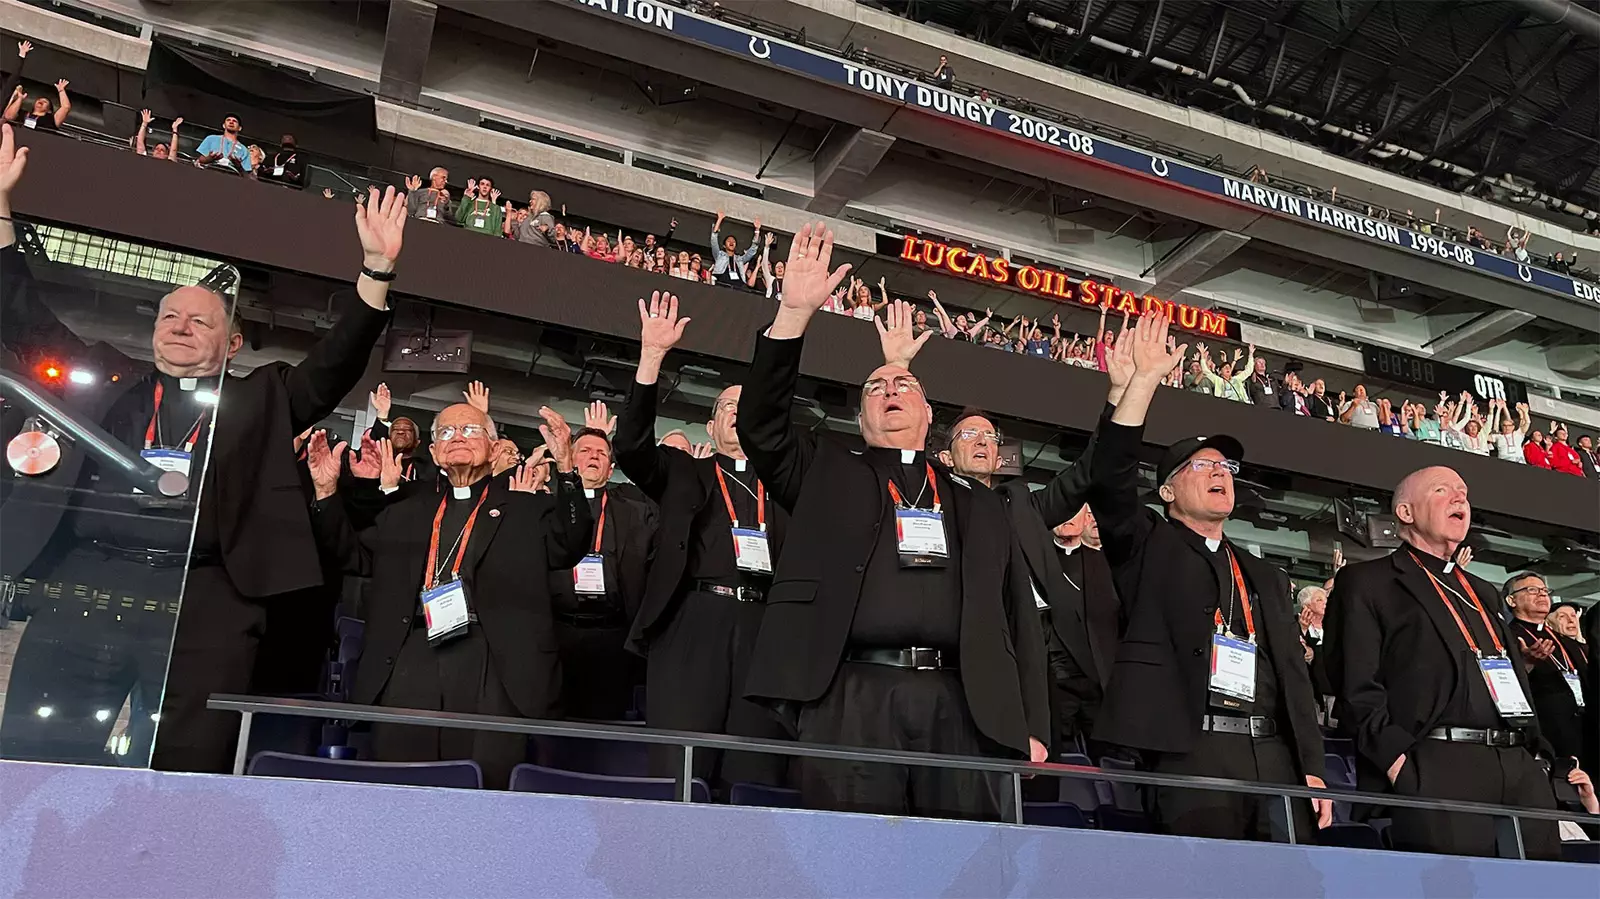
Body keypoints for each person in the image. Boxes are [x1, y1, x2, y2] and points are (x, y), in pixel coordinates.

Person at [0, 126, 407, 771]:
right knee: (41, 758)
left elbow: (332, 366)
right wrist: (1, 209)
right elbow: (23, 314)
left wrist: (376, 270)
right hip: (88, 586)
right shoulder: (111, 381)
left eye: (201, 320)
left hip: (207, 603)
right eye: (169, 317)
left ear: (233, 342)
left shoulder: (258, 399)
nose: (181, 328)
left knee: (190, 770)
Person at [735, 223, 1050, 821]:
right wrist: (794, 314)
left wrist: (1031, 721)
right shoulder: (828, 472)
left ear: (930, 416)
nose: (890, 390)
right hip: (851, 695)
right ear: (861, 418)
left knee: (961, 864)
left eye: (904, 383)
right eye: (876, 386)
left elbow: (1017, 621)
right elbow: (763, 428)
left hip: (963, 702)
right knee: (855, 861)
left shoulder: (976, 500)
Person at [1084, 309, 1330, 842]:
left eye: (1226, 467)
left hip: (1275, 756)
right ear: (1167, 491)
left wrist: (1311, 765)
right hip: (1192, 749)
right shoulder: (1146, 543)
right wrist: (1142, 384)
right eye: (1201, 465)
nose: (1220, 471)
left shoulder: (1263, 574)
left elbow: (1292, 671)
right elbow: (1109, 479)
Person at [305, 403, 590, 789]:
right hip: (411, 656)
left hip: (494, 664)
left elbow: (570, 542)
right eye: (446, 433)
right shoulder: (409, 506)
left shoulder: (526, 507)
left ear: (493, 447)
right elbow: (352, 555)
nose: (457, 438)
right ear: (434, 452)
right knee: (400, 786)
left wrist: (567, 471)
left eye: (471, 431)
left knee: (484, 789)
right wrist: (325, 491)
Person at [1325, 465, 1562, 859]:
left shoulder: (1483, 592)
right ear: (1405, 512)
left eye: (1464, 492)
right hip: (1436, 765)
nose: (1460, 499)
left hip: (1519, 767)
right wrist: (1399, 763)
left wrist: (1538, 756)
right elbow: (1354, 683)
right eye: (1442, 490)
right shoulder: (1369, 581)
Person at [614, 291, 792, 789]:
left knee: (755, 771)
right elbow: (630, 446)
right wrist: (651, 357)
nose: (737, 413)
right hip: (693, 623)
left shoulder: (786, 484)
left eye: (746, 405)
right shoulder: (683, 472)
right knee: (683, 768)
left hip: (766, 627)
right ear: (710, 427)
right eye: (726, 407)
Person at [931, 376, 1115, 756]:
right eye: (968, 436)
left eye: (990, 438)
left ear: (1000, 458)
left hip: (1051, 655)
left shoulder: (1022, 505)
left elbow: (1084, 474)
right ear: (946, 458)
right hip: (982, 647)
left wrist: (1119, 399)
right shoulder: (935, 506)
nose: (982, 441)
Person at [548, 403, 656, 720]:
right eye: (585, 451)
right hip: (559, 633)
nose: (594, 456)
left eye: (602, 453)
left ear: (610, 470)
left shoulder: (634, 509)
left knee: (606, 724)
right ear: (569, 459)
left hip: (614, 637)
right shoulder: (545, 504)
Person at [1504, 573, 1587, 763]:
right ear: (1511, 600)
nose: (1542, 595)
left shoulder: (1564, 640)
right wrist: (1527, 662)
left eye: (1544, 590)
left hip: (1582, 731)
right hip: (1544, 737)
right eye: (1532, 590)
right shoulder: (1507, 636)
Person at [709, 210, 760, 288]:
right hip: (722, 286)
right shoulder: (719, 255)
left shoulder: (740, 259)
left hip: (738, 288)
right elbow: (714, 240)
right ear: (724, 246)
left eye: (733, 241)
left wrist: (757, 230)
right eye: (729, 241)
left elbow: (752, 251)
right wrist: (719, 219)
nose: (731, 242)